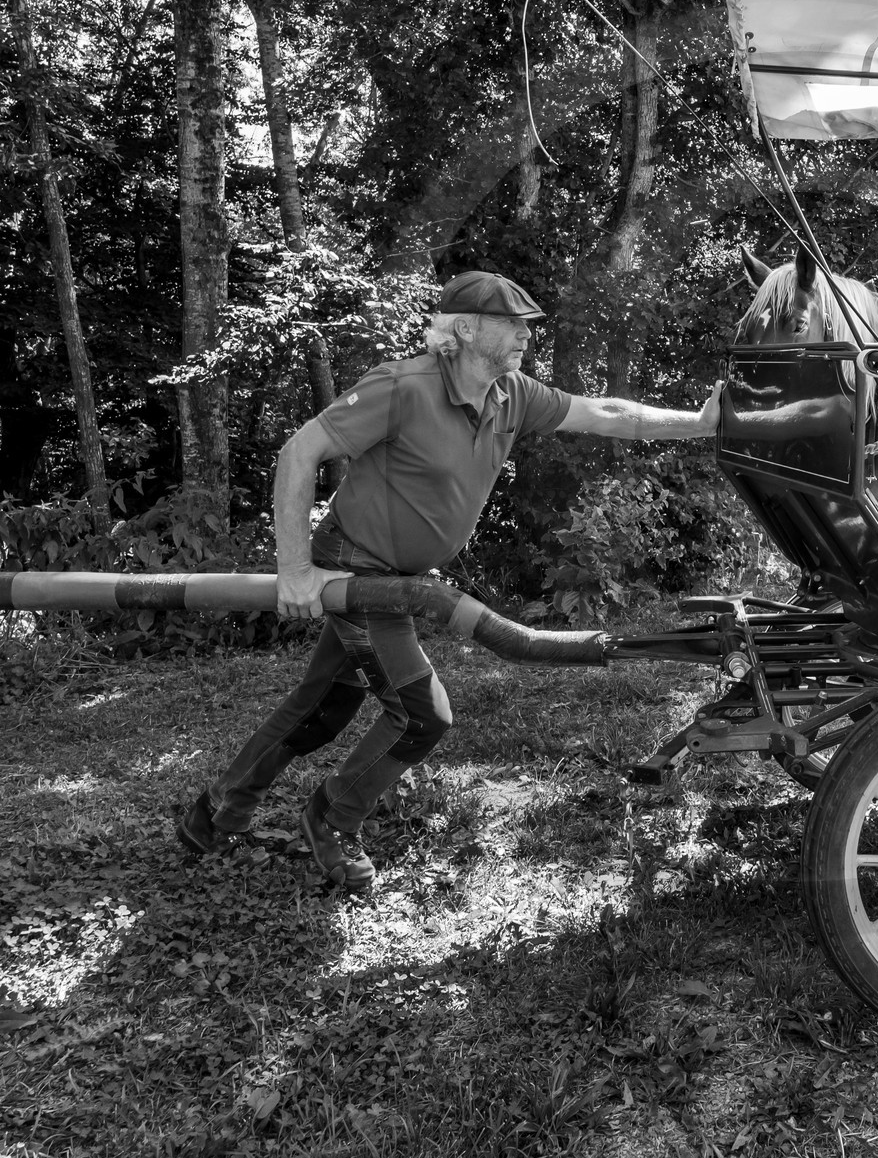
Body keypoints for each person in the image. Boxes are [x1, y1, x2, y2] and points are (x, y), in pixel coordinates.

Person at [175, 270, 721, 891]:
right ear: (464, 330)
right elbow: (299, 453)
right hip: (357, 570)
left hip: (402, 575)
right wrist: (295, 570)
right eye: (511, 324)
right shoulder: (401, 387)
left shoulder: (511, 394)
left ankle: (215, 814)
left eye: (526, 326)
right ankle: (330, 818)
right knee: (420, 714)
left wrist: (698, 424)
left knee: (323, 708)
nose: (524, 335)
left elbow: (606, 413)